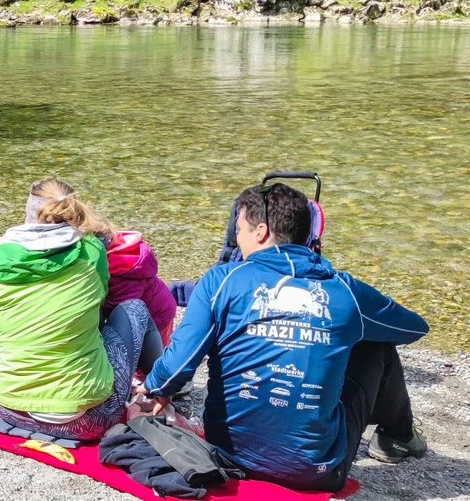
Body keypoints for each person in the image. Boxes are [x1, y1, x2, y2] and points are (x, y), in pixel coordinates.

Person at [137, 183, 429, 492]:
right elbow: (413, 328)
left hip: (225, 454)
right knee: (377, 344)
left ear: (261, 232)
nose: (238, 238)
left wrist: (157, 387)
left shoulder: (221, 281)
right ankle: (398, 438)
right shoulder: (344, 290)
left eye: (240, 229)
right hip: (315, 473)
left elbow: (177, 364)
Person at [0, 178, 164, 442]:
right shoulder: (91, 251)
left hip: (8, 408)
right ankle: (165, 387)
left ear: (29, 211)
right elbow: (102, 295)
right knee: (134, 308)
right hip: (88, 421)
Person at [23, 182, 178, 347]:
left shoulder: (108, 262)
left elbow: (121, 310)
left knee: (150, 354)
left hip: (155, 315)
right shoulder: (83, 236)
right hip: (149, 302)